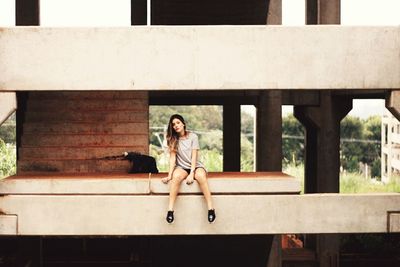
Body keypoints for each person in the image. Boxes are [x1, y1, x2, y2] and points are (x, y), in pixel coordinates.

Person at [161, 114, 216, 224]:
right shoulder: (172, 139)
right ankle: (170, 210)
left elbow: (194, 156)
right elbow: (172, 159)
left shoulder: (193, 137)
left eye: (178, 123)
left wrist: (192, 173)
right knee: (176, 177)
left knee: (200, 176)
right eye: (173, 124)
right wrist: (169, 175)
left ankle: (211, 209)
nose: (176, 126)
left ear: (183, 123)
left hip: (195, 166)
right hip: (181, 167)